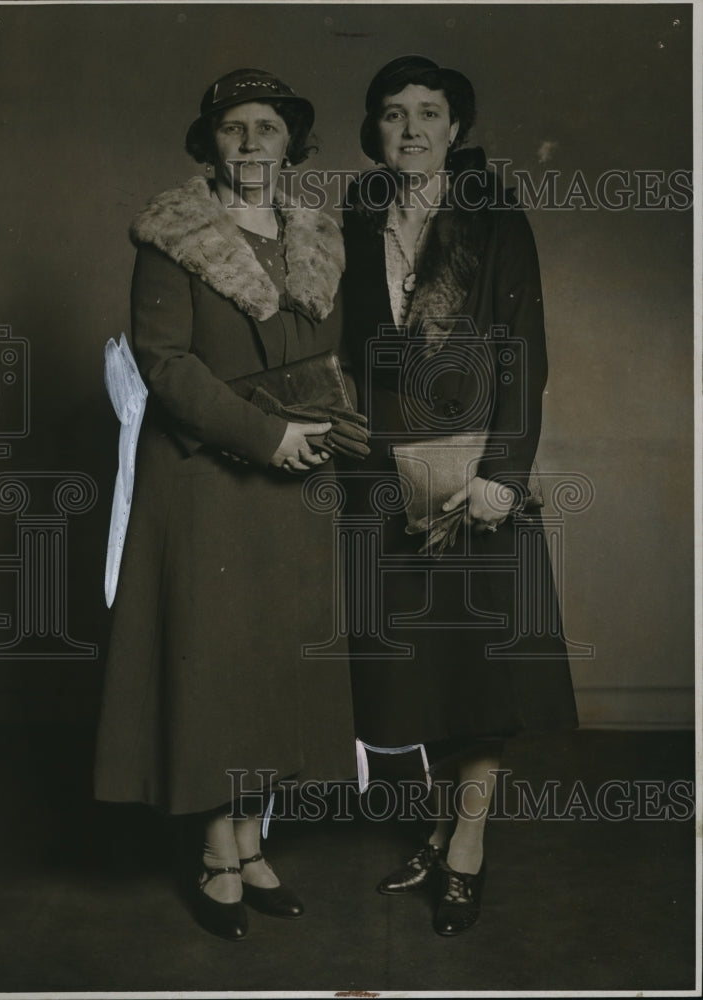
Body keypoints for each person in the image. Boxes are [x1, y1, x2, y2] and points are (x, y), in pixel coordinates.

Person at [94, 68, 363, 941]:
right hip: (209, 475)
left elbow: (329, 357)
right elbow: (165, 365)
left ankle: (252, 842)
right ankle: (217, 852)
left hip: (302, 475)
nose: (251, 143)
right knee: (214, 668)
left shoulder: (317, 235)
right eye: (234, 128)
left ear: (293, 144)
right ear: (208, 142)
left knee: (274, 669)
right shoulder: (171, 236)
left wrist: (328, 428)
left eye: (269, 128)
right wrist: (262, 436)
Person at [341, 55, 578, 936]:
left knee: (479, 677)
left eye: (429, 113)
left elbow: (526, 353)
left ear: (456, 129)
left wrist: (501, 481)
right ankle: (438, 830)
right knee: (418, 679)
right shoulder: (354, 219)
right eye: (394, 114)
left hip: (475, 477)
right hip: (383, 478)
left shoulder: (496, 219)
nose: (411, 129)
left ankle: (467, 849)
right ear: (374, 130)